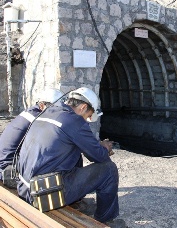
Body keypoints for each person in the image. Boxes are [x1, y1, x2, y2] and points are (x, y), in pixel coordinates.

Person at [17, 87, 125, 227]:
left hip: (24, 188)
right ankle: (105, 220)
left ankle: (76, 201)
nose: (87, 120)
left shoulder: (48, 112)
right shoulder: (75, 121)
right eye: (88, 116)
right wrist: (104, 147)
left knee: (73, 156)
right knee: (109, 169)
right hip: (42, 195)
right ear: (83, 107)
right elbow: (99, 157)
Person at [0, 88, 64, 187]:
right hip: (9, 168)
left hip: (5, 161)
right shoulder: (38, 119)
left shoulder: (31, 112)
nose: (56, 112)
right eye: (53, 108)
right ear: (42, 105)